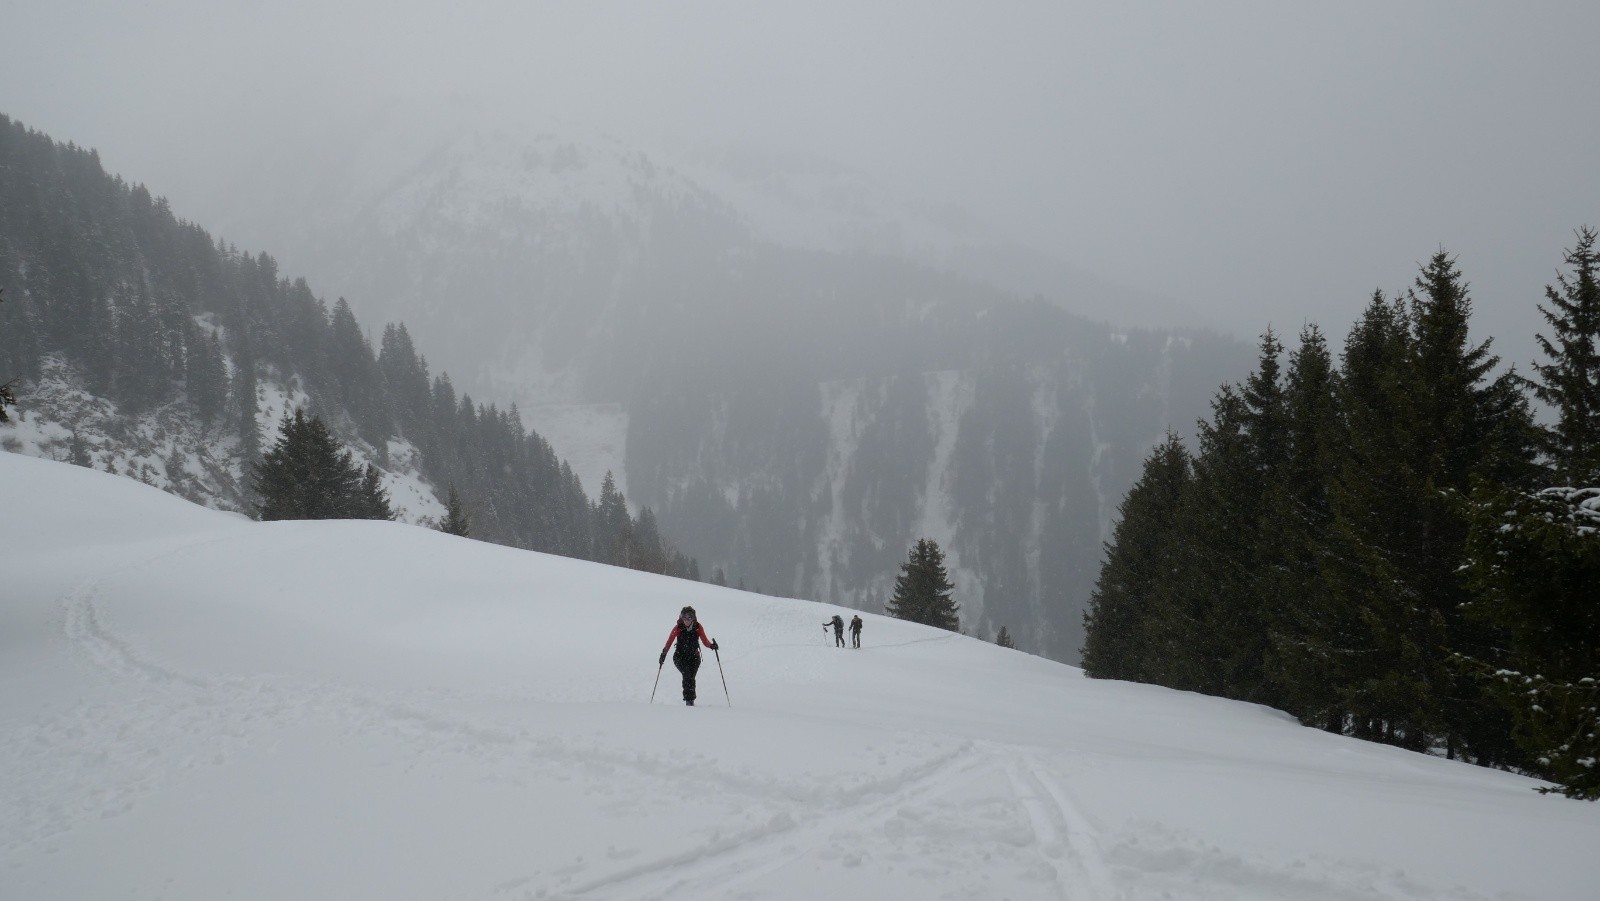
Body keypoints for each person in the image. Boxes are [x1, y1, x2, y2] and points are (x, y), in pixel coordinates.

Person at [660, 606, 718, 706]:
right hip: (679, 657)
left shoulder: (698, 627)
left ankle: (690, 701)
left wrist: (712, 646)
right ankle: (689, 701)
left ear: (693, 618)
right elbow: (669, 642)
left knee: (691, 677)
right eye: (684, 617)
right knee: (687, 675)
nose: (686, 620)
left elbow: (705, 641)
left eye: (689, 617)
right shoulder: (678, 628)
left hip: (694, 658)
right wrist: (664, 653)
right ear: (681, 618)